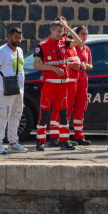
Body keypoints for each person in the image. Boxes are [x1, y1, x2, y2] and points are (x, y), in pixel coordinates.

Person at [33, 20, 74, 151]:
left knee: (63, 114)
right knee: (44, 113)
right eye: (58, 31)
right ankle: (40, 141)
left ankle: (64, 141)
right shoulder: (42, 45)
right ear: (51, 30)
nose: (60, 33)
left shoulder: (64, 43)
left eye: (62, 31)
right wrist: (54, 69)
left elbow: (79, 42)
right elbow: (36, 64)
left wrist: (68, 28)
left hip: (63, 87)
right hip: (49, 85)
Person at [0, 26, 28, 154]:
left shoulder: (20, 51)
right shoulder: (1, 51)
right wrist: (2, 84)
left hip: (18, 88)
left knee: (16, 114)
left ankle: (13, 143)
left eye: (20, 38)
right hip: (5, 88)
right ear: (9, 36)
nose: (18, 40)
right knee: (3, 114)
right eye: (16, 37)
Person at [68, 25, 93, 146]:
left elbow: (91, 65)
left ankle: (78, 135)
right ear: (77, 35)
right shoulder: (72, 47)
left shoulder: (87, 49)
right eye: (82, 33)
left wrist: (86, 65)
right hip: (72, 81)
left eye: (86, 34)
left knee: (80, 109)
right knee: (68, 108)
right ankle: (64, 135)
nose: (84, 36)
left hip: (83, 82)